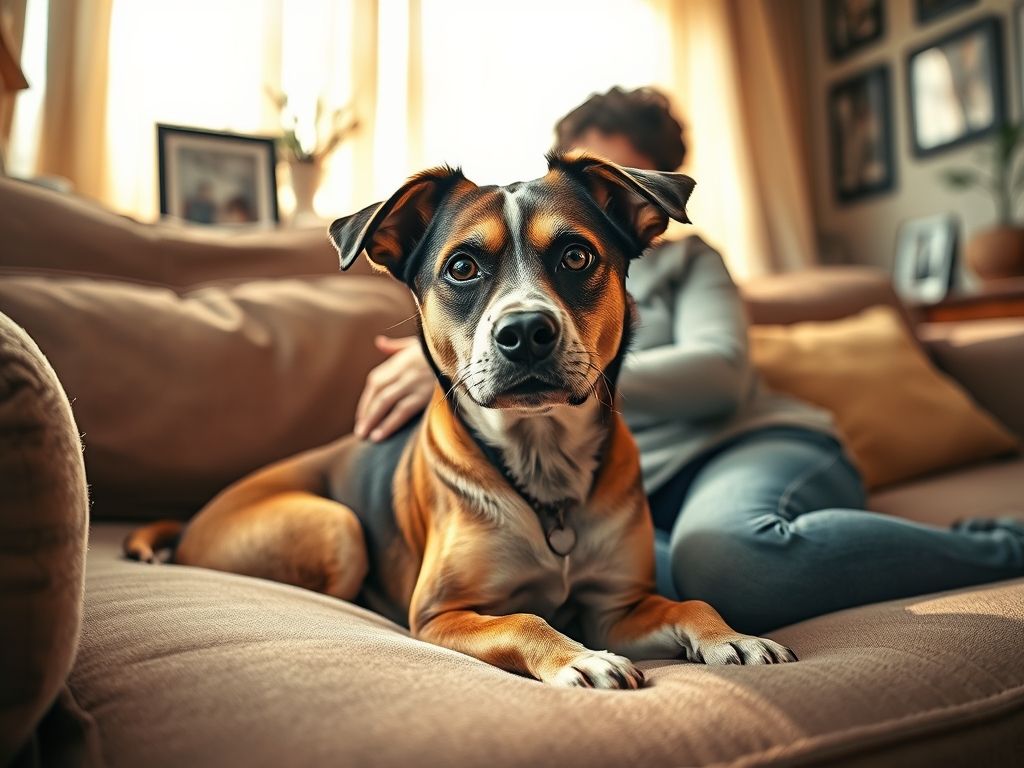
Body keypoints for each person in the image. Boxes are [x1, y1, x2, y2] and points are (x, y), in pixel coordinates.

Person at [353, 86, 1024, 635]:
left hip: (752, 443)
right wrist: (461, 371)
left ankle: (1005, 546)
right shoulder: (501, 275)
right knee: (602, 596)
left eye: (611, 178)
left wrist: (573, 370)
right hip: (643, 489)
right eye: (576, 167)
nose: (590, 188)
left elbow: (721, 372)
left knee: (728, 560)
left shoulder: (688, 262)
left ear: (641, 199)